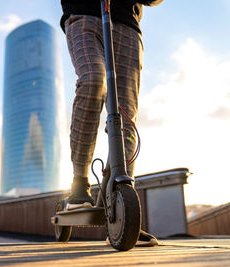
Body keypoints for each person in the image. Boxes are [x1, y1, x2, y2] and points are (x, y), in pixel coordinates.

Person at [60, 0, 163, 246]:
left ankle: (121, 207)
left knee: (126, 114)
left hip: (127, 24)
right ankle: (79, 183)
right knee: (93, 81)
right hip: (84, 14)